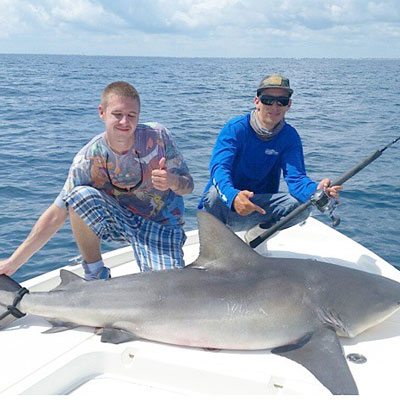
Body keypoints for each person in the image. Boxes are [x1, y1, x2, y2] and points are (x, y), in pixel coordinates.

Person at [0, 81, 194, 279]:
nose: (125, 122)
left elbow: (189, 186)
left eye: (131, 116)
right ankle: (95, 273)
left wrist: (172, 181)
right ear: (102, 112)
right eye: (117, 114)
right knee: (77, 195)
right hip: (119, 221)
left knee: (166, 288)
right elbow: (56, 214)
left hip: (161, 225)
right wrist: (13, 263)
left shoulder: (158, 136)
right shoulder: (89, 158)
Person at [199, 73, 341, 235]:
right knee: (214, 195)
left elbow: (296, 180)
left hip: (260, 207)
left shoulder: (290, 136)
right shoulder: (235, 128)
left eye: (282, 101)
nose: (275, 106)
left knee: (303, 206)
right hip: (225, 204)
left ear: (289, 105)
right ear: (257, 101)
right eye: (268, 100)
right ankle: (216, 238)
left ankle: (256, 235)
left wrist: (316, 191)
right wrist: (234, 197)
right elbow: (218, 169)